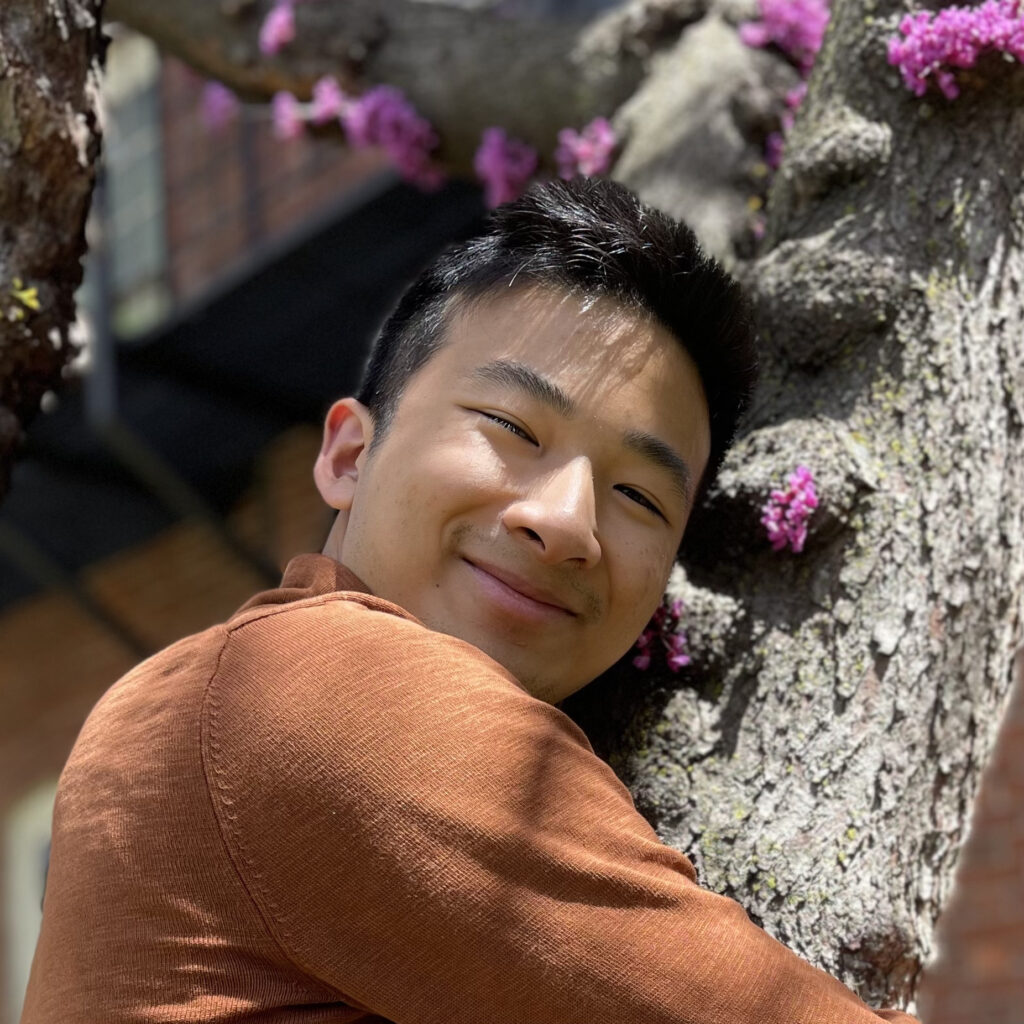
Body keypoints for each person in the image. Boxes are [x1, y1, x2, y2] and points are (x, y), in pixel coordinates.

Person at [22, 177, 918, 1023]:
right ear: (347, 456)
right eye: (513, 428)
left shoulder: (186, 697)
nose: (567, 522)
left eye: (641, 498)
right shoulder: (327, 684)